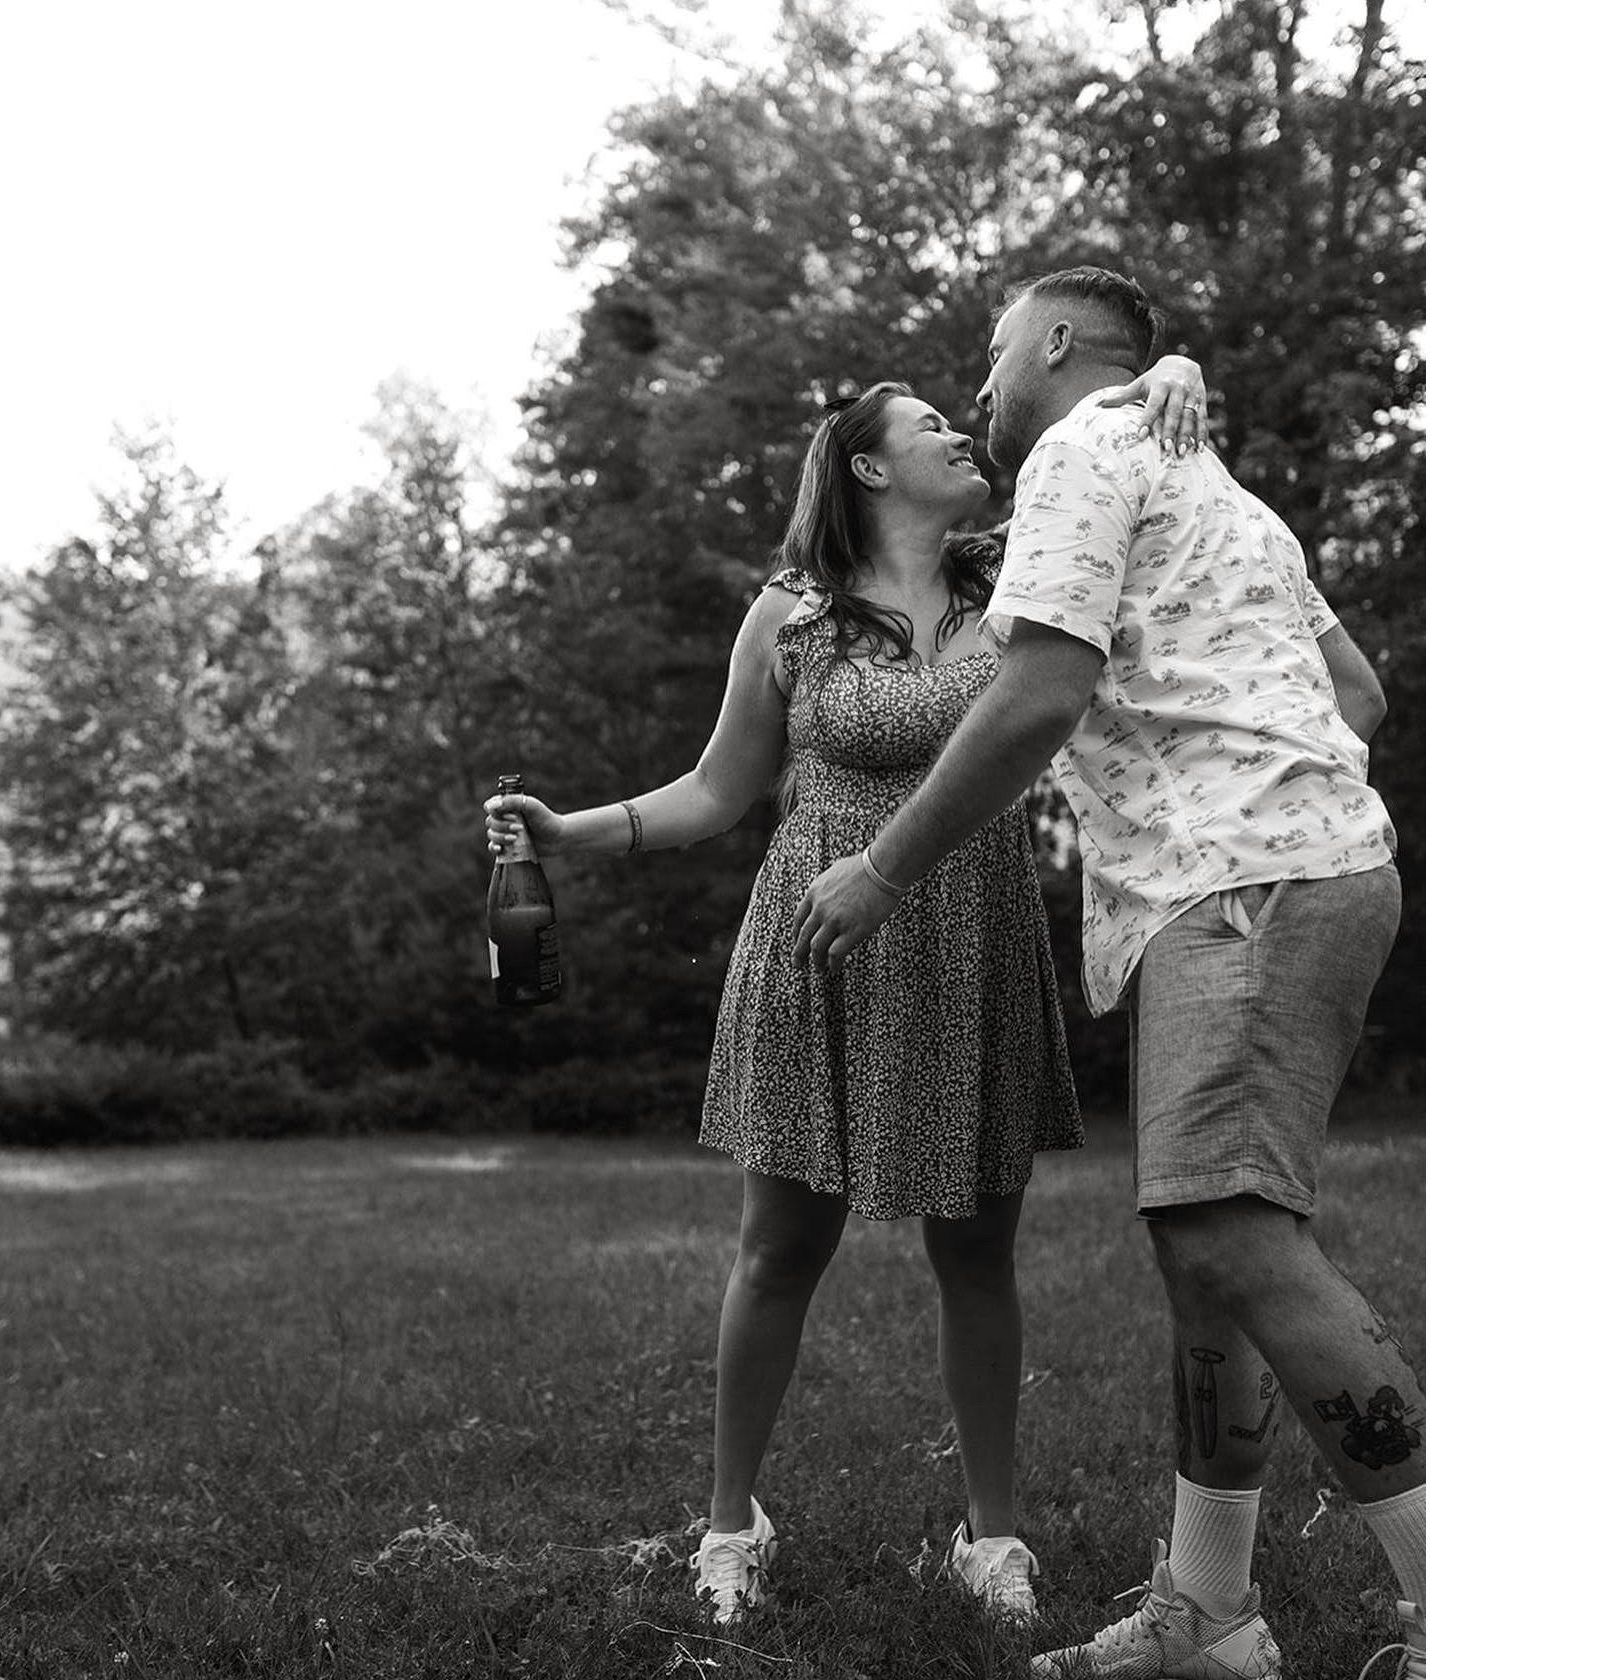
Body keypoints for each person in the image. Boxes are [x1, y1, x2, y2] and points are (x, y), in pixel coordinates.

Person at [481, 351, 1209, 1628]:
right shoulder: (792, 614)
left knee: (977, 1253)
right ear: (869, 466)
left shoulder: (1020, 580)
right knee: (780, 1248)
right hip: (818, 940)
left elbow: (1134, 455)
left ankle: (993, 1540)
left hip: (973, 936)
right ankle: (730, 1525)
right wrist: (567, 832)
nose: (962, 433)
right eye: (931, 426)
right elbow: (717, 791)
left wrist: (1172, 368)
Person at [792, 266, 1424, 1679]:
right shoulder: (1226, 495)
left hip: (1238, 887)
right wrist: (1281, 782)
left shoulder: (1081, 451)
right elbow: (1361, 697)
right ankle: (1209, 1614)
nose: (981, 383)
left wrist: (882, 869)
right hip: (1292, 873)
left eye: (994, 349)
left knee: (1231, 1236)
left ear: (1058, 343)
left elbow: (1039, 691)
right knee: (1205, 1254)